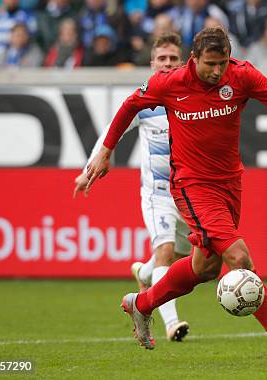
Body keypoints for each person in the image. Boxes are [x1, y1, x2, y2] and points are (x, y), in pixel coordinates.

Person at [85, 27, 267, 363]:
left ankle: (140, 304)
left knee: (204, 266)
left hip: (230, 183)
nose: (217, 71)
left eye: (223, 63)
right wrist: (106, 151)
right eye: (211, 64)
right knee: (239, 259)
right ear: (194, 59)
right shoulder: (170, 83)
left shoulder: (241, 76)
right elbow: (129, 105)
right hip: (191, 185)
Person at [74, 33, 191, 342]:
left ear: (183, 62)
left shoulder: (193, 96)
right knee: (165, 250)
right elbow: (112, 131)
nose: (167, 64)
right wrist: (90, 168)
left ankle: (144, 272)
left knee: (185, 258)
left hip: (191, 195)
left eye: (173, 59)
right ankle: (172, 323)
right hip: (158, 195)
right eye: (162, 59)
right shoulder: (145, 100)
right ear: (152, 63)